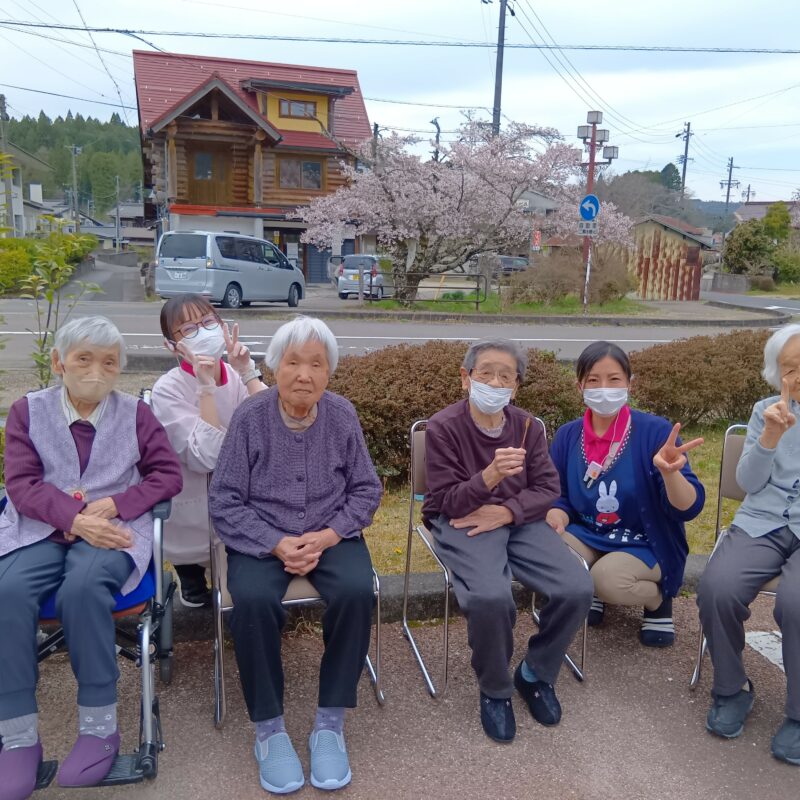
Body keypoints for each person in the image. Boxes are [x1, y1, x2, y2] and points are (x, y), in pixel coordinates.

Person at [0, 316, 182, 800]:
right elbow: (20, 485)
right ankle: (18, 738)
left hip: (116, 530)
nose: (96, 372)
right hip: (40, 527)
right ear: (59, 362)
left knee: (83, 588)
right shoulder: (27, 411)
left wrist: (121, 503)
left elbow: (167, 475)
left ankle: (100, 727)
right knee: (7, 591)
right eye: (83, 359)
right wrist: (74, 518)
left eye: (108, 362)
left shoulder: (136, 415)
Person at [208, 316, 382, 795]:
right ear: (275, 366)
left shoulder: (342, 415)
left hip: (330, 534)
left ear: (329, 373)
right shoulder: (250, 417)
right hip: (262, 539)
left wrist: (327, 536)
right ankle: (269, 730)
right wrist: (276, 542)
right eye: (293, 362)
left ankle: (329, 723)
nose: (304, 374)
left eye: (316, 364)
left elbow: (367, 489)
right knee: (253, 600)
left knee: (353, 591)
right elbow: (224, 499)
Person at [422, 338, 593, 744]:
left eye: (506, 376)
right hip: (464, 520)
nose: (495, 382)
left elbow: (548, 487)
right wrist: (489, 478)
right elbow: (445, 500)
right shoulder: (444, 426)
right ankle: (495, 689)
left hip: (518, 520)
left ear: (515, 387)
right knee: (489, 597)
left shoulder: (527, 426)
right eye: (486, 373)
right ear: (465, 378)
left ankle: (535, 672)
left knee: (577, 586)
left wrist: (507, 510)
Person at [547, 341, 705, 648]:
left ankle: (657, 600)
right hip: (589, 533)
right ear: (580, 385)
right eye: (593, 380)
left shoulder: (655, 432)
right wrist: (556, 512)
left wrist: (671, 474)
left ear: (630, 383)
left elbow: (688, 508)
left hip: (646, 540)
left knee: (607, 580)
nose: (603, 388)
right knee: (544, 549)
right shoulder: (568, 434)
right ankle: (588, 588)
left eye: (614, 379)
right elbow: (558, 494)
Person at [697, 324, 800, 765]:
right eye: (789, 368)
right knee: (716, 586)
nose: (797, 376)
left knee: (795, 603)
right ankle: (732, 689)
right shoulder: (766, 411)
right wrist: (770, 438)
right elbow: (748, 483)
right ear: (776, 374)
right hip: (761, 523)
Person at [150, 294, 266, 608]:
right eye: (188, 329)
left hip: (241, 494)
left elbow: (274, 428)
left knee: (240, 576)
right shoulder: (168, 389)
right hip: (193, 496)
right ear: (171, 345)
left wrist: (248, 371)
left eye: (207, 322)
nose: (202, 332)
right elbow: (207, 457)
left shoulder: (237, 378)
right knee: (195, 553)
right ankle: (190, 575)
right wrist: (205, 388)